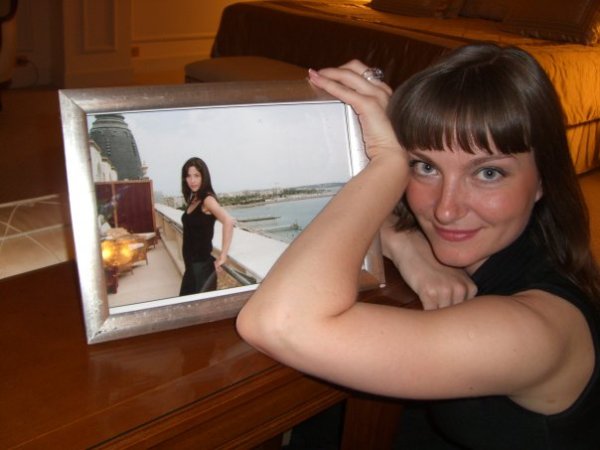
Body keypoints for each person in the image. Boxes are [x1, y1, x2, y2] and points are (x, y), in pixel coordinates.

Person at [236, 43, 600, 449]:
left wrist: (388, 163)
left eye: (488, 173)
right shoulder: (524, 249)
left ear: (543, 180)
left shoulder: (536, 334)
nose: (446, 209)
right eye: (426, 166)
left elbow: (279, 322)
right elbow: (359, 211)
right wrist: (405, 243)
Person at [179, 157, 235, 295]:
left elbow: (228, 221)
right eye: (188, 176)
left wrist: (223, 256)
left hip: (202, 269)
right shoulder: (194, 199)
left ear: (204, 176)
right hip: (191, 268)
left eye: (196, 175)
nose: (192, 180)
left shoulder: (207, 199)